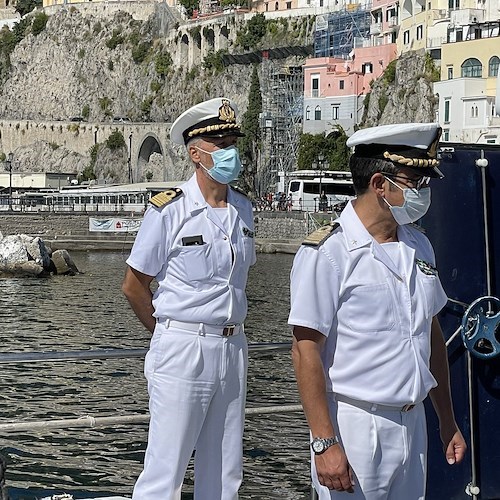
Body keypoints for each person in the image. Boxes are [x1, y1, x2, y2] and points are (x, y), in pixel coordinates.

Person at [288, 123, 466, 499]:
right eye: (415, 180)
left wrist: (446, 419)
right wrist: (324, 442)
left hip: (412, 423)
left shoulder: (419, 246)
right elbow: (305, 351)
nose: (423, 191)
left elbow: (430, 332)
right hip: (356, 425)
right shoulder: (329, 252)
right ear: (381, 185)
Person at [122, 97, 256, 500]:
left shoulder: (244, 211)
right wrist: (167, 331)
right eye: (220, 143)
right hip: (184, 346)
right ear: (195, 153)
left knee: (224, 472)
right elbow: (134, 284)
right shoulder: (170, 211)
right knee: (167, 471)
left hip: (234, 346)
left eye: (233, 140)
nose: (231, 150)